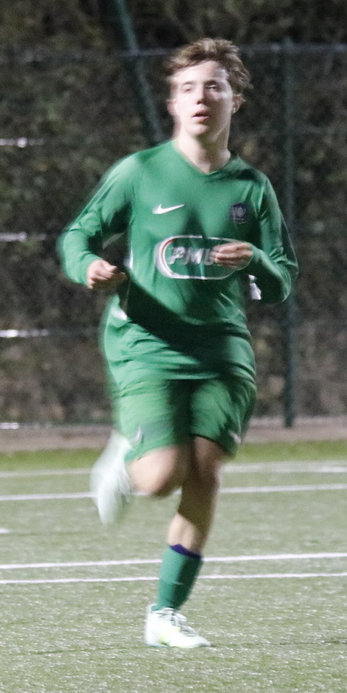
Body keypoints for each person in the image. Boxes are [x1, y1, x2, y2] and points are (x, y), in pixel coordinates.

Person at [57, 38, 297, 649]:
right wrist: (88, 267)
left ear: (235, 100)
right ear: (171, 103)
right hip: (145, 341)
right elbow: (77, 235)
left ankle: (164, 614)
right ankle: (125, 456)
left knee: (206, 471)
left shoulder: (252, 188)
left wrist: (256, 261)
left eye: (214, 86)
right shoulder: (140, 173)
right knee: (161, 477)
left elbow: (283, 280)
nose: (200, 98)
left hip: (221, 349)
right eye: (187, 88)